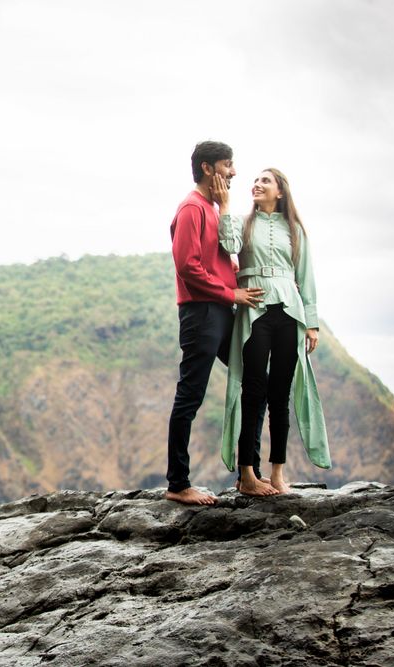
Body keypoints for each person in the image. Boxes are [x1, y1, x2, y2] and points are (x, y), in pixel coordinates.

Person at [213, 168, 331, 496]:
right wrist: (224, 207)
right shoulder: (242, 222)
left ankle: (278, 473)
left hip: (289, 313)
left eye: (265, 181)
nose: (257, 184)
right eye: (256, 180)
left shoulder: (294, 229)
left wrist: (311, 323)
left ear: (280, 191)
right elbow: (229, 243)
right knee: (253, 390)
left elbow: (305, 277)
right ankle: (248, 474)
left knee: (280, 395)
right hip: (254, 312)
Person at [166, 141, 267, 506]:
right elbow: (187, 267)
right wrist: (231, 294)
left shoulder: (212, 208)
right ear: (208, 168)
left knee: (258, 380)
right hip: (203, 313)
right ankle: (178, 484)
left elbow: (216, 260)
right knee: (190, 396)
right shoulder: (192, 208)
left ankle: (248, 474)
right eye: (228, 165)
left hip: (222, 311)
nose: (234, 172)